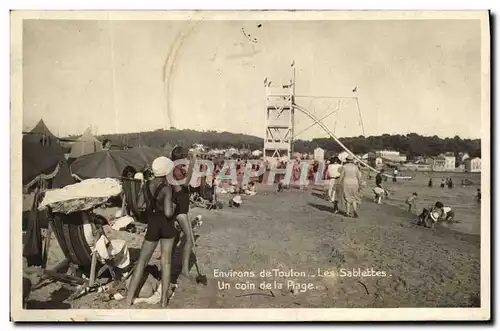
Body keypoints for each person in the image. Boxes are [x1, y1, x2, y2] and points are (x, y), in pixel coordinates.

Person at [126, 156, 177, 307]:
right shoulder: (167, 188)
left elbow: (139, 204)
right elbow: (168, 213)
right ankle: (163, 301)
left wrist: (149, 210)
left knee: (142, 261)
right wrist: (173, 206)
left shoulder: (146, 184)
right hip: (166, 225)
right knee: (166, 262)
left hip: (153, 224)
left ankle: (128, 299)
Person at [170, 146, 197, 281]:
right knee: (189, 239)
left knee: (174, 240)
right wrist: (192, 164)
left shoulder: (177, 169)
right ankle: (185, 270)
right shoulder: (176, 170)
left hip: (180, 209)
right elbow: (185, 185)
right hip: (180, 211)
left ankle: (168, 266)